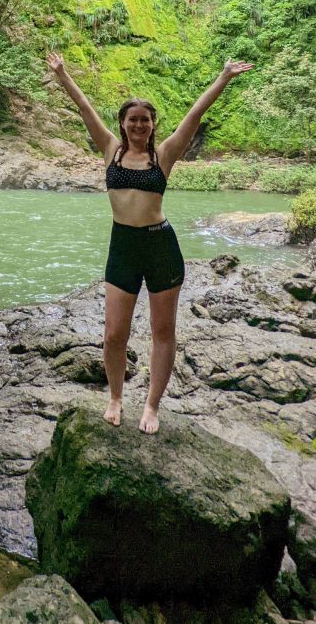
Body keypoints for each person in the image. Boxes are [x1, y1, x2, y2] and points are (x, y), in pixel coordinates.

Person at [46, 52, 253, 434]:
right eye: (132, 119)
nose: (138, 124)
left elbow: (195, 113)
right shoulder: (110, 149)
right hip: (122, 246)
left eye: (145, 119)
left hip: (160, 247)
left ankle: (153, 405)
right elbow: (83, 105)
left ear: (153, 124)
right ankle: (115, 396)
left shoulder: (165, 154)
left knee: (163, 331)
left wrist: (224, 76)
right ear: (123, 124)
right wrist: (62, 75)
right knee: (113, 334)